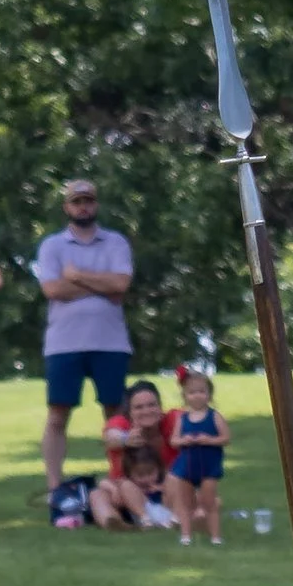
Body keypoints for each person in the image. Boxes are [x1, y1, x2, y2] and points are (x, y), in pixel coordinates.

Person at [37, 178, 135, 506]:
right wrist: (102, 286)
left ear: (96, 204)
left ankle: (120, 480)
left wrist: (77, 278)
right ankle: (55, 486)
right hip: (64, 343)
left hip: (110, 341)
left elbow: (122, 284)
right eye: (77, 201)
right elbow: (52, 290)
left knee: (116, 413)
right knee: (58, 414)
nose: (83, 206)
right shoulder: (53, 246)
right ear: (67, 207)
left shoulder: (116, 242)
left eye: (88, 201)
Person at [88, 378, 175, 531]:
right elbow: (110, 438)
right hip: (125, 495)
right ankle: (114, 522)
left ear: (160, 408)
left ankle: (173, 518)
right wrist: (126, 439)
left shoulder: (172, 421)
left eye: (152, 405)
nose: (146, 411)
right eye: (139, 407)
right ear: (130, 412)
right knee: (96, 495)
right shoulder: (121, 424)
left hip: (164, 493)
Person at [165, 367, 230, 543]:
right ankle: (186, 536)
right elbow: (174, 441)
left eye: (202, 391)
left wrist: (209, 439)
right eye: (192, 392)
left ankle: (216, 536)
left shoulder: (214, 416)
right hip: (186, 466)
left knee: (209, 502)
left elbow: (225, 438)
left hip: (209, 466)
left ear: (209, 394)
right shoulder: (183, 418)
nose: (197, 396)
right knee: (185, 503)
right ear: (185, 395)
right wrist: (184, 440)